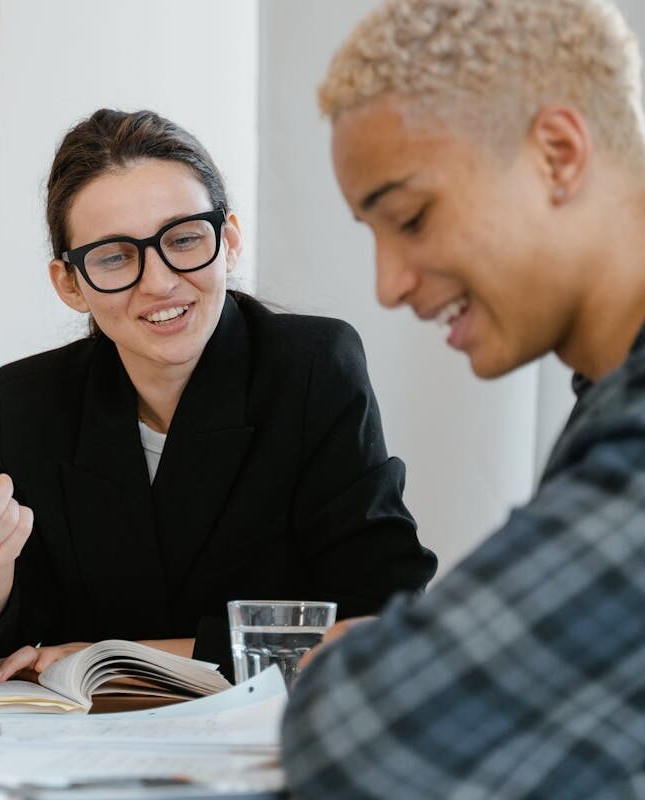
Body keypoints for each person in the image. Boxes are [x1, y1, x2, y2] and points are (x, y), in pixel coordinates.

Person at [0, 108, 437, 684]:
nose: (159, 282)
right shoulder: (33, 399)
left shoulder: (311, 366)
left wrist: (119, 658)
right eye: (114, 257)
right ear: (70, 284)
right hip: (87, 749)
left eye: (184, 239)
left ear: (228, 241)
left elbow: (379, 614)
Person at [281, 0, 645, 797]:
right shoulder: (604, 403)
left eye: (410, 218)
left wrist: (372, 664)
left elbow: (360, 741)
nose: (388, 285)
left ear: (556, 153)